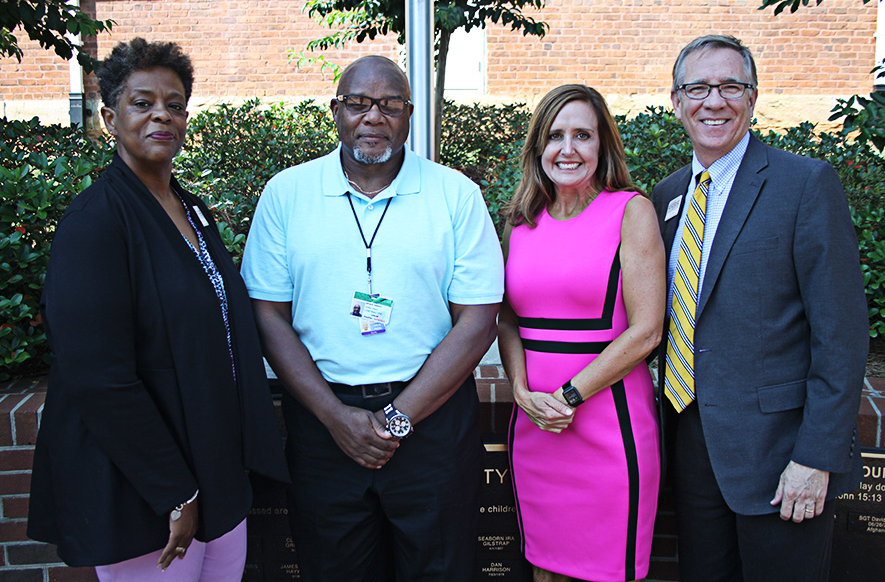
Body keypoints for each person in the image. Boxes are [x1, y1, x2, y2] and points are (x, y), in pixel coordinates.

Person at [26, 38, 289, 581]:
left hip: (214, 467)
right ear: (108, 116)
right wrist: (175, 491)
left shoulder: (192, 211)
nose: (161, 115)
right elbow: (99, 379)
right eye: (142, 103)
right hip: (148, 490)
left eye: (174, 104)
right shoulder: (95, 224)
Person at [241, 55, 504, 581]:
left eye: (389, 105)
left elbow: (478, 320)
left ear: (409, 115)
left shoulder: (455, 195)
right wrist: (336, 419)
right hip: (323, 426)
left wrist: (398, 417)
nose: (373, 117)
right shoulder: (287, 194)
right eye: (358, 103)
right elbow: (267, 314)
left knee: (443, 570)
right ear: (336, 111)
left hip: (432, 426)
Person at [651, 35, 868, 582]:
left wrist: (816, 458)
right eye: (698, 87)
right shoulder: (667, 195)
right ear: (676, 101)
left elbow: (840, 337)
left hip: (781, 455)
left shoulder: (804, 184)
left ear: (753, 97)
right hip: (691, 444)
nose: (714, 101)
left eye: (731, 86)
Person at [498, 84, 665, 582]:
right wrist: (522, 391)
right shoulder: (519, 222)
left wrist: (568, 396)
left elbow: (647, 331)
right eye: (555, 135)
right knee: (544, 572)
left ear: (603, 145)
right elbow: (507, 319)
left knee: (607, 571)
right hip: (535, 429)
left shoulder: (631, 211)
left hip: (608, 428)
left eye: (583, 135)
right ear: (538, 148)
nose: (567, 149)